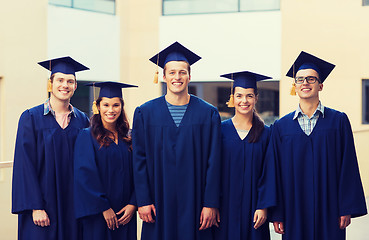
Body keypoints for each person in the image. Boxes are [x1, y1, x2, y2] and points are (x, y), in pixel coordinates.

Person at [269, 51, 367, 240]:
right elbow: (275, 173)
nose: (305, 82)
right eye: (300, 79)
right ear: (295, 86)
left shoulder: (338, 121)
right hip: (293, 209)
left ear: (320, 85)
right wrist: (277, 212)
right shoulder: (281, 127)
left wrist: (345, 207)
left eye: (311, 79)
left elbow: (348, 166)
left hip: (329, 207)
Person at [132, 41, 222, 240]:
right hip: (157, 201)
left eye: (182, 72)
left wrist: (210, 203)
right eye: (172, 72)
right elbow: (139, 160)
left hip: (196, 202)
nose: (177, 77)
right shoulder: (145, 113)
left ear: (190, 76)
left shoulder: (208, 114)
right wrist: (143, 200)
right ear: (163, 76)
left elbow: (214, 162)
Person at [12, 56, 90, 240]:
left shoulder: (83, 120)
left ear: (75, 86)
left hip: (72, 207)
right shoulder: (31, 118)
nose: (65, 85)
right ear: (51, 84)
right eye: (60, 80)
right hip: (42, 207)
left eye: (70, 81)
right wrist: (35, 206)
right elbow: (25, 165)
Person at [215, 71, 277, 240]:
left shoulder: (266, 134)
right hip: (224, 208)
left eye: (249, 96)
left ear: (256, 98)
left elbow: (269, 173)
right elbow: (212, 171)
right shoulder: (219, 131)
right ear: (232, 98)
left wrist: (263, 206)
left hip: (254, 210)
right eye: (239, 95)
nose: (244, 101)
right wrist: (213, 204)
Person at [74, 81, 138, 240]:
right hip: (98, 214)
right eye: (106, 105)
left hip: (125, 214)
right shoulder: (86, 136)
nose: (111, 110)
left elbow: (140, 171)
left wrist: (133, 204)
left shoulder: (130, 137)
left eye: (116, 105)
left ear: (121, 107)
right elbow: (84, 176)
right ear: (98, 107)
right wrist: (103, 208)